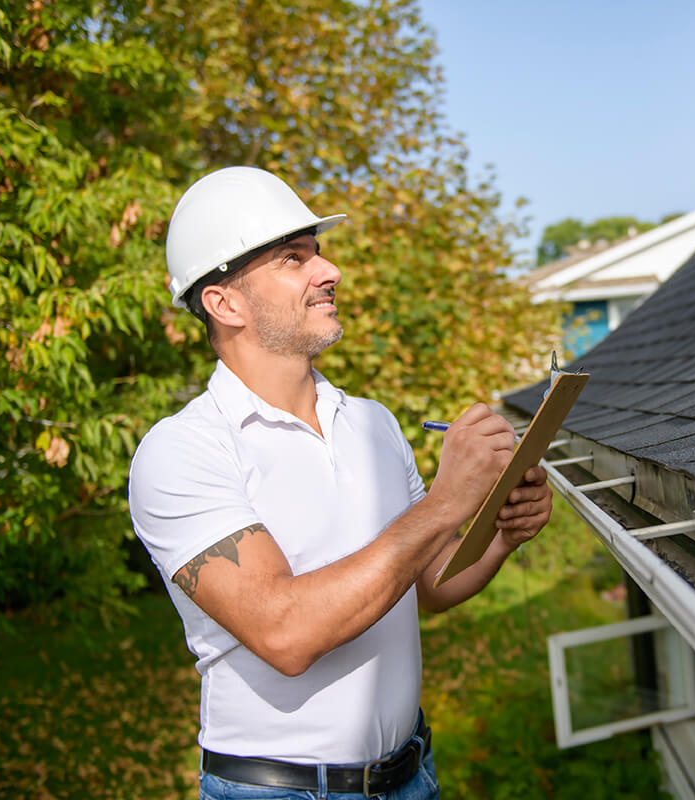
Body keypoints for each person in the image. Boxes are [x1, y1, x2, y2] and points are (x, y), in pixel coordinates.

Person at [128, 166, 553, 800]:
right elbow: (285, 633)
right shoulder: (182, 451)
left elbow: (428, 586)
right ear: (225, 303)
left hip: (412, 774)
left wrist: (498, 537)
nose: (329, 273)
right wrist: (445, 504)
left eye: (318, 255)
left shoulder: (373, 424)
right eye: (293, 259)